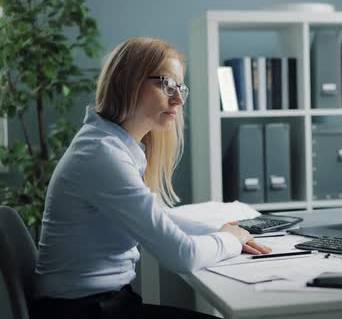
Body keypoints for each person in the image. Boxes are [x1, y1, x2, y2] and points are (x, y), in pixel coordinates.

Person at [32, 37, 271, 318]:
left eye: (181, 88)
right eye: (166, 84)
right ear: (127, 82)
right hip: (83, 311)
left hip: (99, 304)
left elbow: (160, 218)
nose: (178, 99)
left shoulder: (113, 144)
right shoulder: (102, 155)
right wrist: (228, 239)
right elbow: (183, 255)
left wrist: (225, 230)